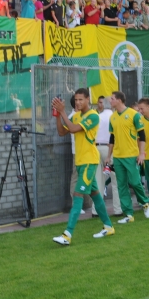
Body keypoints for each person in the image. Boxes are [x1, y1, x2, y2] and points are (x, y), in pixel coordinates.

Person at [51, 89, 115, 246]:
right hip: (80, 162)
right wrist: (58, 115)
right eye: (76, 99)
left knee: (78, 194)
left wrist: (63, 112)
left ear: (88, 99)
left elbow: (72, 129)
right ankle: (108, 226)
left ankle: (67, 234)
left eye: (81, 99)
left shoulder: (93, 116)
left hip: (89, 161)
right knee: (95, 194)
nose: (78, 102)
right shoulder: (76, 116)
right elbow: (62, 132)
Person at [105, 91, 149, 224]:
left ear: (119, 100)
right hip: (118, 157)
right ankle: (128, 214)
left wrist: (141, 153)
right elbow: (112, 137)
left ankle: (144, 203)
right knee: (121, 186)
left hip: (131, 155)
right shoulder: (112, 117)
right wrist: (109, 156)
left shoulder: (134, 115)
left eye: (112, 99)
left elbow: (142, 136)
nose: (110, 101)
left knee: (135, 182)